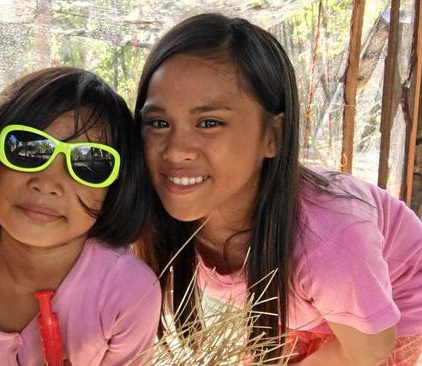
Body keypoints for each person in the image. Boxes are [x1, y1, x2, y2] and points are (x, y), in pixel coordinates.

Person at [134, 13, 422, 365]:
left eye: (209, 122)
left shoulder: (328, 240)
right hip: (310, 310)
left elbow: (370, 349)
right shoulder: (155, 211)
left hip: (385, 320)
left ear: (273, 136)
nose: (176, 150)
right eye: (159, 123)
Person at [0, 67, 161, 366]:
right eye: (27, 148)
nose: (48, 182)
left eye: (88, 163)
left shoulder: (131, 294)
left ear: (115, 188)